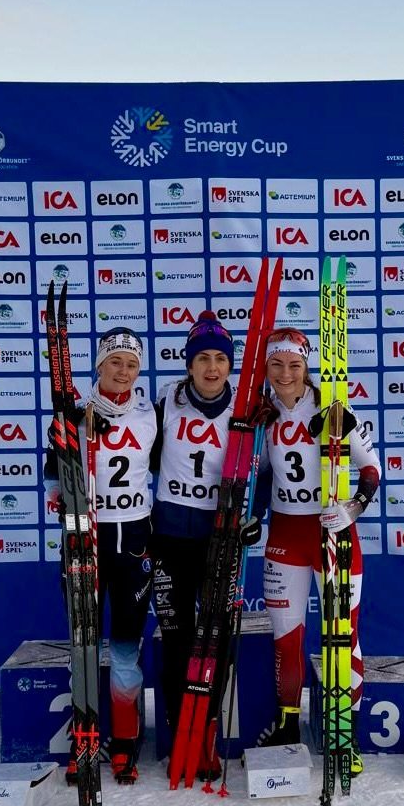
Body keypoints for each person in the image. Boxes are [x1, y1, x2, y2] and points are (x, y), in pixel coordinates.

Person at [259, 327, 381, 772]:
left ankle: (342, 730)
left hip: (333, 532)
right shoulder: (262, 412)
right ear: (267, 367)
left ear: (307, 367)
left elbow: (371, 467)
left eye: (294, 365)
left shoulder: (333, 406)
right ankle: (289, 723)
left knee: (343, 635)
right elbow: (261, 473)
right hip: (285, 535)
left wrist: (355, 506)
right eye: (277, 364)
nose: (286, 373)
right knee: (286, 636)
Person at [151, 310, 261, 780]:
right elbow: (132, 455)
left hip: (222, 540)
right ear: (188, 364)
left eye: (220, 358)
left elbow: (267, 471)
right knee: (177, 642)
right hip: (171, 538)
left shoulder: (250, 409)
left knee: (216, 642)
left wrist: (255, 517)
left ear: (230, 364)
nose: (212, 367)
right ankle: (181, 733)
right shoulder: (164, 405)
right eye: (203, 359)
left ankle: (208, 733)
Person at [45, 327, 157, 785]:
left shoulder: (151, 412)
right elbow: (54, 474)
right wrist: (61, 502)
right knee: (84, 643)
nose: (123, 371)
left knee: (127, 648)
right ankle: (85, 737)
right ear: (99, 365)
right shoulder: (72, 413)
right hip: (85, 537)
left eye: (131, 364)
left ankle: (127, 739)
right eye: (115, 362)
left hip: (133, 538)